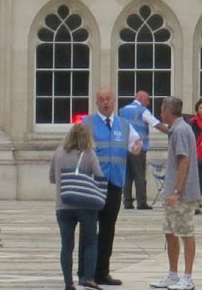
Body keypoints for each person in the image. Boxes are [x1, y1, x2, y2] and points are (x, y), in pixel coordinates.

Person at [86, 87, 135, 288]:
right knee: (89, 230)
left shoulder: (124, 124)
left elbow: (134, 144)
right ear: (97, 102)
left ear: (114, 101)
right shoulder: (87, 123)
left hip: (115, 184)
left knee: (108, 230)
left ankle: (102, 272)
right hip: (92, 183)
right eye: (102, 99)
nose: (106, 103)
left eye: (109, 99)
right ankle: (86, 272)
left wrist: (137, 147)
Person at [52, 119, 108, 290]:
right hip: (86, 205)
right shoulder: (89, 154)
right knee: (91, 241)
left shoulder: (58, 152)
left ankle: (68, 283)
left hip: (63, 204)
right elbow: (99, 175)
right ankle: (88, 278)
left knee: (67, 245)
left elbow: (52, 178)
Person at [157, 96, 198, 290]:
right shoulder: (176, 129)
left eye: (161, 109)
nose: (160, 113)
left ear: (167, 110)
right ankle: (173, 274)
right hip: (173, 193)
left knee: (185, 232)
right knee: (170, 232)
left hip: (181, 194)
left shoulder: (181, 130)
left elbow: (184, 160)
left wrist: (176, 191)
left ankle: (187, 277)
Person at [122, 90, 159, 210]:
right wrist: (171, 131)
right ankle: (141, 201)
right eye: (147, 100)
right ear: (141, 98)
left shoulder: (122, 110)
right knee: (139, 175)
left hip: (123, 147)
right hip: (137, 148)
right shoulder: (142, 111)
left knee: (127, 176)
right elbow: (155, 123)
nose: (148, 103)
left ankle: (127, 201)